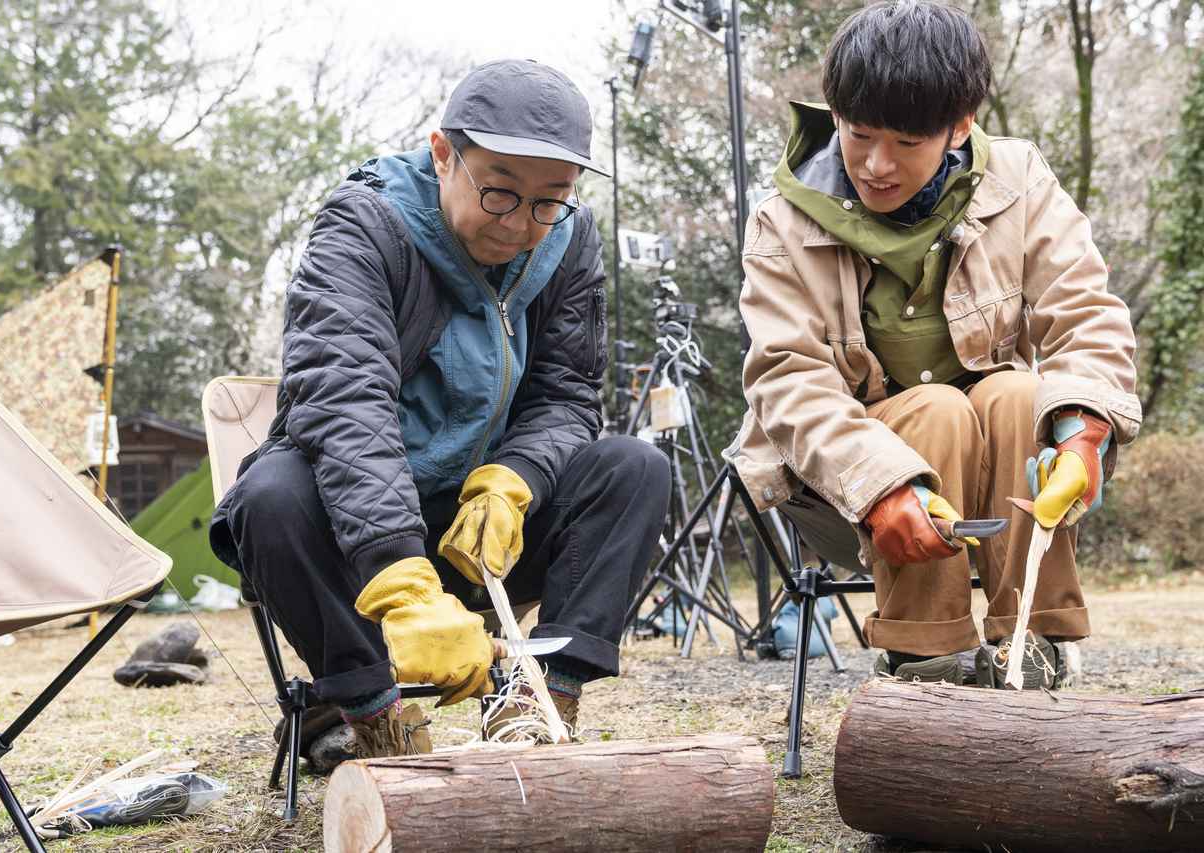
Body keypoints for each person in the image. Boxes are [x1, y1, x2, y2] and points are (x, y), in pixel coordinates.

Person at [210, 59, 671, 765]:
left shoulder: (570, 240)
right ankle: (375, 717)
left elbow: (568, 393)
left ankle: (539, 699)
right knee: (268, 496)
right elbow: (344, 402)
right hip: (354, 538)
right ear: (441, 154)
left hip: (477, 534)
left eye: (550, 200)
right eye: (499, 194)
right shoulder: (365, 225)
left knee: (635, 468)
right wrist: (398, 573)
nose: (522, 226)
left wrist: (514, 478)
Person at [727, 1, 1140, 688]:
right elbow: (786, 377)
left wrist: (1082, 434)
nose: (876, 165)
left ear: (960, 125)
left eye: (907, 143)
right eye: (859, 134)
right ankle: (930, 658)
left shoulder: (1018, 181)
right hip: (843, 493)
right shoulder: (783, 223)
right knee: (934, 411)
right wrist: (884, 486)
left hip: (996, 468)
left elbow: (1085, 311)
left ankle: (1032, 645)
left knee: (1017, 392)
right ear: (835, 115)